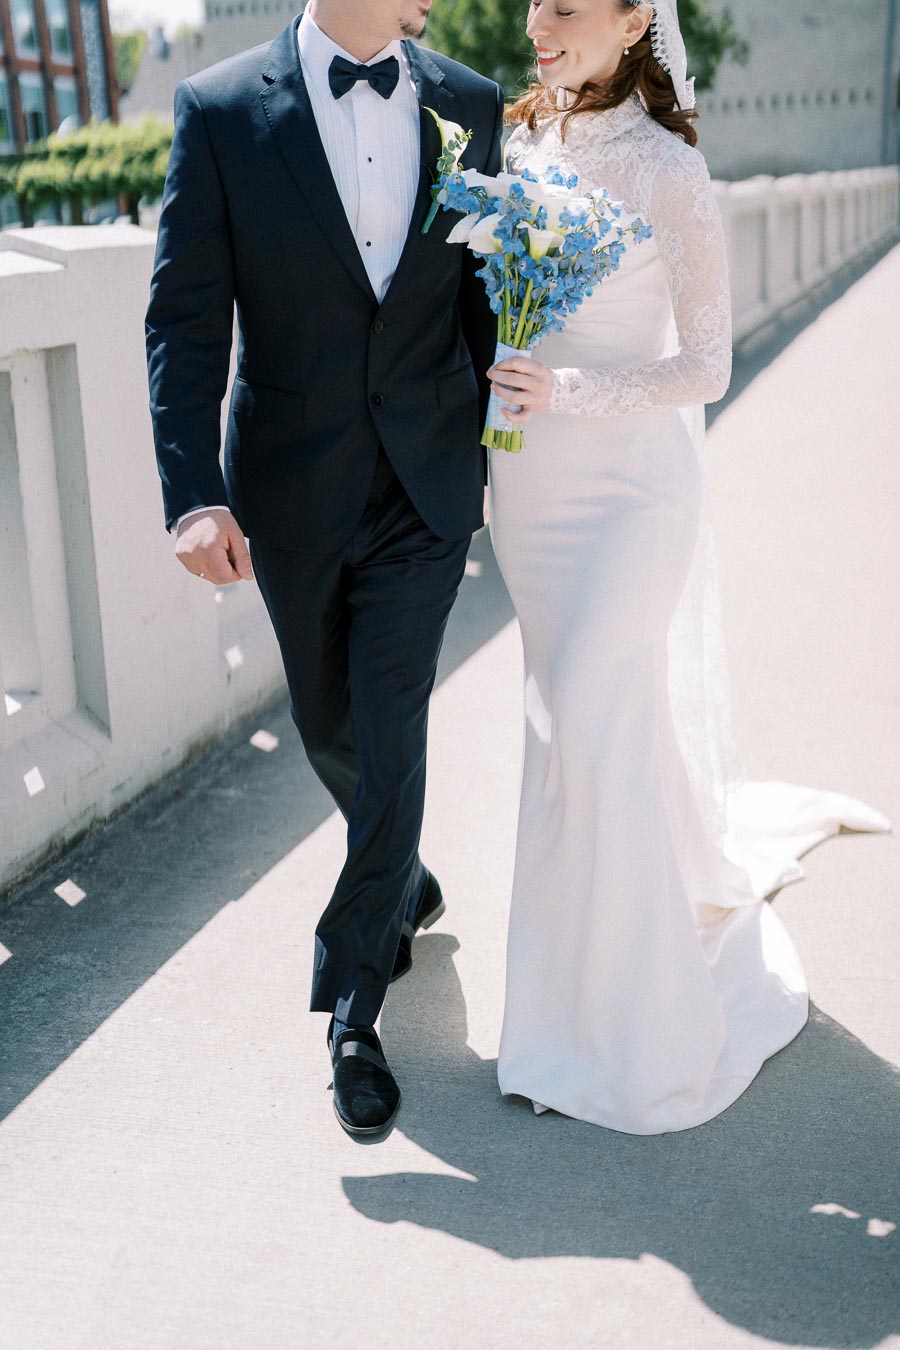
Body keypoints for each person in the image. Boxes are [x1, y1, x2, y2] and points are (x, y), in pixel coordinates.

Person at [485, 0, 889, 1133]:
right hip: (530, 490)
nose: (539, 23)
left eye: (569, 6)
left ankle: (630, 1029)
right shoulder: (517, 142)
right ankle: (564, 1005)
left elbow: (706, 366)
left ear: (631, 23)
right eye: (537, 1)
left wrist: (568, 390)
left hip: (631, 491)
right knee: (579, 724)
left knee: (586, 701)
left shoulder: (672, 171)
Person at [145, 0, 503, 1138]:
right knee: (330, 726)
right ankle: (402, 876)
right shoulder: (216, 113)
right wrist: (193, 492)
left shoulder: (470, 103)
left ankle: (354, 1016)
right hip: (291, 492)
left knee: (391, 730)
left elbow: (486, 299)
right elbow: (184, 320)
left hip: (425, 485)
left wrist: (512, 440)